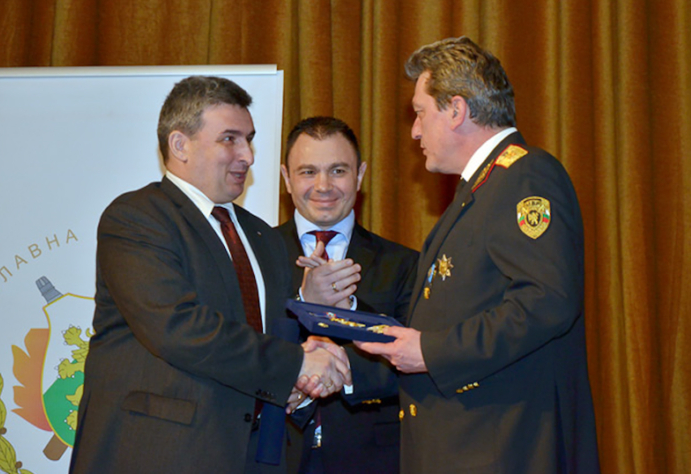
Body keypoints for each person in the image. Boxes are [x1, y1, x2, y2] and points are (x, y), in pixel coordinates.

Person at [68, 76, 350, 474]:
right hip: (160, 457)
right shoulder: (137, 218)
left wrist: (299, 385)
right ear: (179, 145)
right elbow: (179, 328)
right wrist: (296, 364)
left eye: (249, 140)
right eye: (229, 139)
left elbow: (270, 339)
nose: (248, 155)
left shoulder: (263, 237)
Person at [353, 37, 601, 473]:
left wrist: (431, 350)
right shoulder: (484, 186)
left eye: (420, 113)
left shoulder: (525, 177)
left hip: (503, 449)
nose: (414, 131)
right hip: (471, 444)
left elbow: (545, 301)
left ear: (456, 110)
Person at [277, 116, 418, 473]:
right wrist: (305, 303)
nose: (323, 186)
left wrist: (349, 309)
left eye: (338, 171)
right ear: (286, 178)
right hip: (275, 454)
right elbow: (241, 344)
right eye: (308, 172)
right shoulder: (254, 254)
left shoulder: (404, 264)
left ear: (360, 175)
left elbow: (417, 361)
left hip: (372, 460)